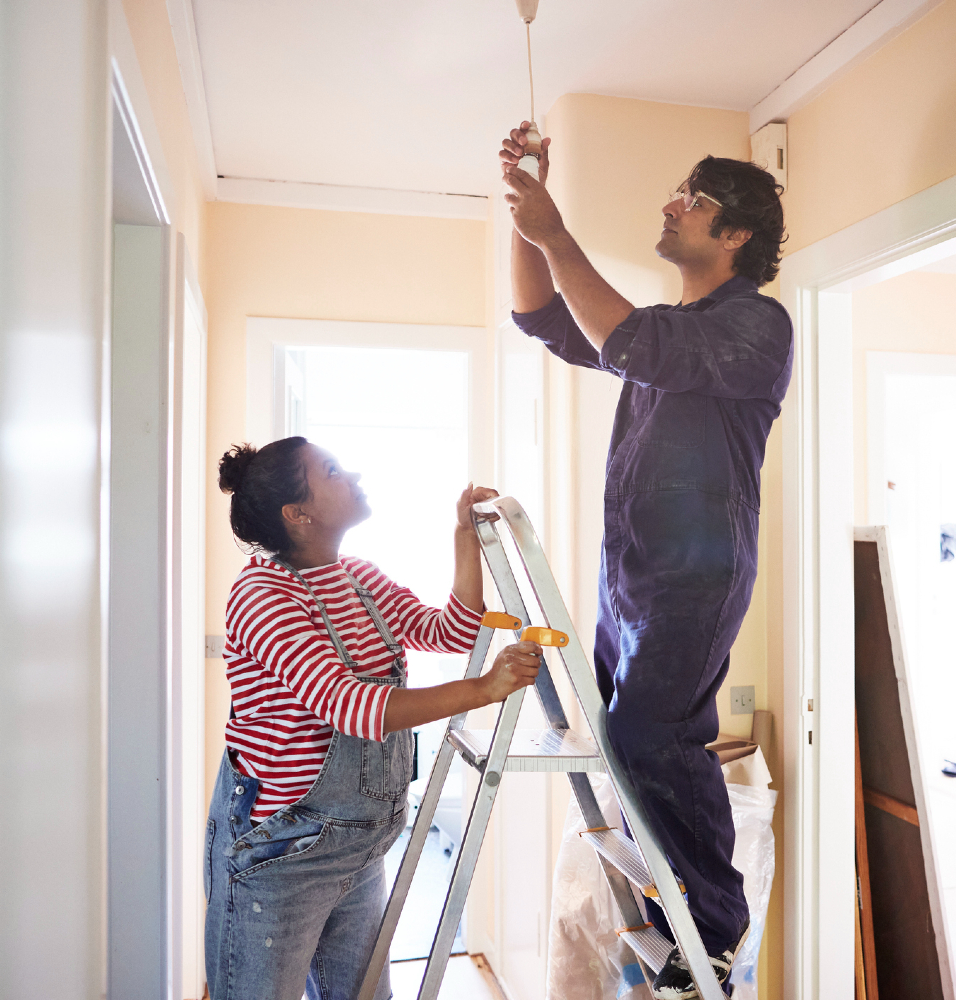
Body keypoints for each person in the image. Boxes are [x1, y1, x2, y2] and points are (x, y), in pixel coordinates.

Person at [499, 123, 793, 999]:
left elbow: (628, 341)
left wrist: (555, 230)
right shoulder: (674, 325)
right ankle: (675, 922)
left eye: (693, 197)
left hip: (695, 579)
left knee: (651, 736)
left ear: (735, 233)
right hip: (631, 578)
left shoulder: (755, 325)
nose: (672, 204)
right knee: (622, 744)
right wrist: (526, 214)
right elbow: (542, 317)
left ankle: (711, 934)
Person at [206, 436, 541, 1000]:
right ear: (298, 514)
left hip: (358, 846)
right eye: (332, 471)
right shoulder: (262, 595)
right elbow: (352, 707)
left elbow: (449, 630)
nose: (352, 472)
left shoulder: (357, 578)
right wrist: (484, 690)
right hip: (284, 853)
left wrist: (464, 536)